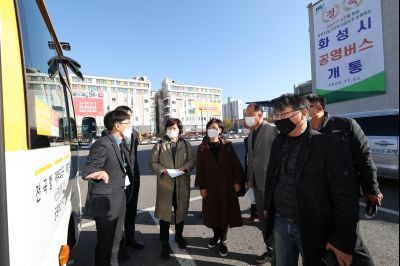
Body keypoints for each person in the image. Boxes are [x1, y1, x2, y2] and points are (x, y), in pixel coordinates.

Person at [263, 94, 359, 266]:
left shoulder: (327, 145)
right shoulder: (278, 142)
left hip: (312, 227)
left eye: (284, 115)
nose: (279, 120)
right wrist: (267, 205)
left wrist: (342, 240)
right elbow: (272, 176)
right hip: (280, 220)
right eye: (276, 116)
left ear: (303, 113)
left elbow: (345, 197)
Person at [305, 94, 383, 265]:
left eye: (306, 107)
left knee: (351, 242)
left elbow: (364, 158)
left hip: (343, 197)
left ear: (318, 108)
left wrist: (372, 189)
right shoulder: (304, 132)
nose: (303, 111)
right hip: (315, 200)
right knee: (322, 244)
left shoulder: (345, 125)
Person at [82, 110, 134, 266]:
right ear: (117, 126)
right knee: (106, 242)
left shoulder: (120, 143)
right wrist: (97, 173)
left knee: (116, 240)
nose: (130, 126)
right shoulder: (103, 143)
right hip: (106, 203)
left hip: (119, 196)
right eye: (128, 123)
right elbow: (89, 169)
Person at [195, 118, 244, 257]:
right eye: (209, 127)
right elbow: (200, 169)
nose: (211, 129)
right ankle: (216, 235)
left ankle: (223, 240)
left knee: (224, 212)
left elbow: (235, 164)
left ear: (220, 130)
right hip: (210, 187)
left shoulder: (227, 145)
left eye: (215, 127)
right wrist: (202, 187)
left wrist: (237, 181)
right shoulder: (202, 148)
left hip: (226, 186)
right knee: (212, 213)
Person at [149, 118, 196, 260]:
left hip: (181, 183)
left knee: (180, 211)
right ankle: (164, 243)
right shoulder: (159, 144)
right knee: (165, 215)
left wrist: (186, 168)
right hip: (166, 184)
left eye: (174, 128)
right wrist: (163, 170)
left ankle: (179, 236)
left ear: (179, 129)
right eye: (169, 127)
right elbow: (152, 162)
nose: (171, 130)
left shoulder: (185, 144)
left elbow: (192, 159)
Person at [245, 103, 278, 264]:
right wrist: (249, 177)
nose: (247, 117)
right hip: (256, 183)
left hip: (271, 183)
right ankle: (270, 249)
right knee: (263, 219)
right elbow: (250, 158)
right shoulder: (251, 133)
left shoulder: (272, 129)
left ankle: (279, 251)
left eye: (250, 114)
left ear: (260, 115)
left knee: (273, 218)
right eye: (246, 114)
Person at [113, 106, 144, 262]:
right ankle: (120, 247)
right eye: (126, 119)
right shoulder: (111, 137)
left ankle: (130, 238)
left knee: (131, 211)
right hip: (119, 182)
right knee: (119, 215)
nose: (129, 123)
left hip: (134, 179)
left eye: (130, 119)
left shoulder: (133, 134)